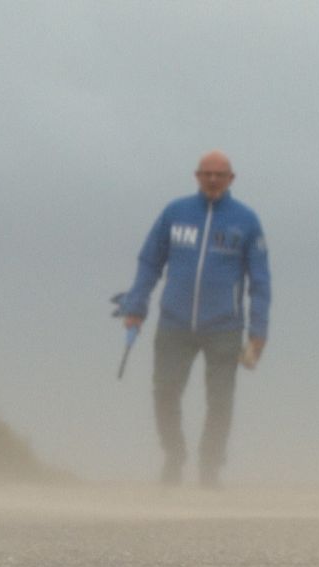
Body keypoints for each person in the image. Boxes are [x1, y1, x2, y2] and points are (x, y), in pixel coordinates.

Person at [115, 150, 270, 488]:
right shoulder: (175, 213)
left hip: (225, 327)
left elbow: (260, 281)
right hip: (174, 323)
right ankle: (174, 455)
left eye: (219, 175)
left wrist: (258, 333)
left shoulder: (246, 221)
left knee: (220, 402)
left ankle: (210, 468)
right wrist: (135, 308)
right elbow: (149, 262)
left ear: (232, 179)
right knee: (165, 392)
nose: (212, 180)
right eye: (206, 174)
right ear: (196, 176)